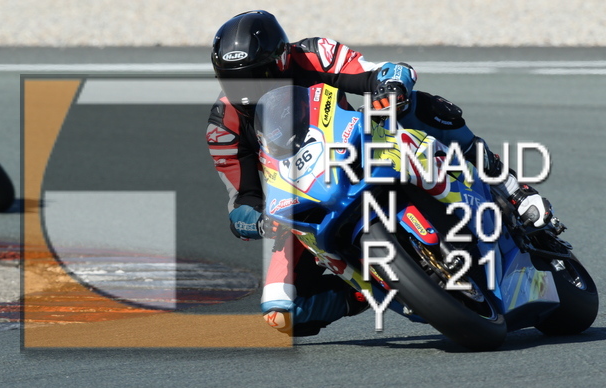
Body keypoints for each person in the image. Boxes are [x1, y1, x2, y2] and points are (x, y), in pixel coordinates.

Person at [206, 10, 551, 336]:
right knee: (285, 315)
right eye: (233, 81)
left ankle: (509, 185)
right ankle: (373, 290)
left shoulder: (312, 54)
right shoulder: (223, 126)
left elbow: (380, 71)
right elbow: (242, 200)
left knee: (414, 106)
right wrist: (254, 221)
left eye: (256, 76)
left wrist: (392, 85)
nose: (246, 93)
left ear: (281, 60)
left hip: (356, 145)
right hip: (304, 194)